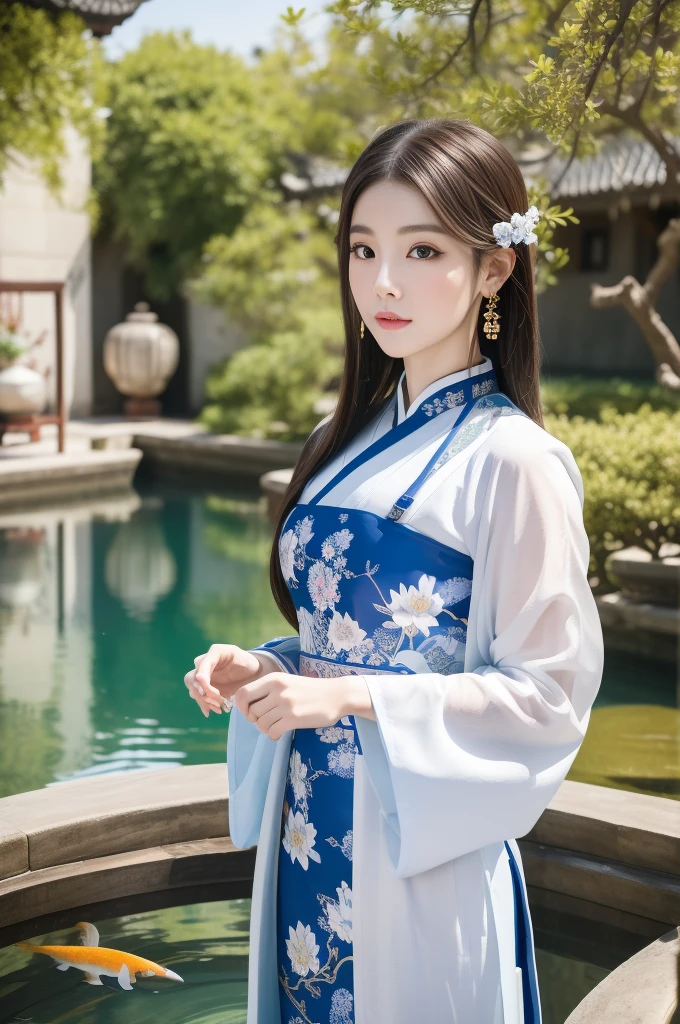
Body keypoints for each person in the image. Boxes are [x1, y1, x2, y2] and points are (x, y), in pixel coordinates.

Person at [184, 118, 604, 1024]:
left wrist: (347, 702)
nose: (383, 282)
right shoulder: (336, 443)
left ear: (495, 268)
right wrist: (274, 670)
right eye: (363, 248)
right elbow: (340, 640)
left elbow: (548, 695)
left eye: (422, 250)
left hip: (419, 857)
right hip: (309, 829)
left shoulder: (516, 460)